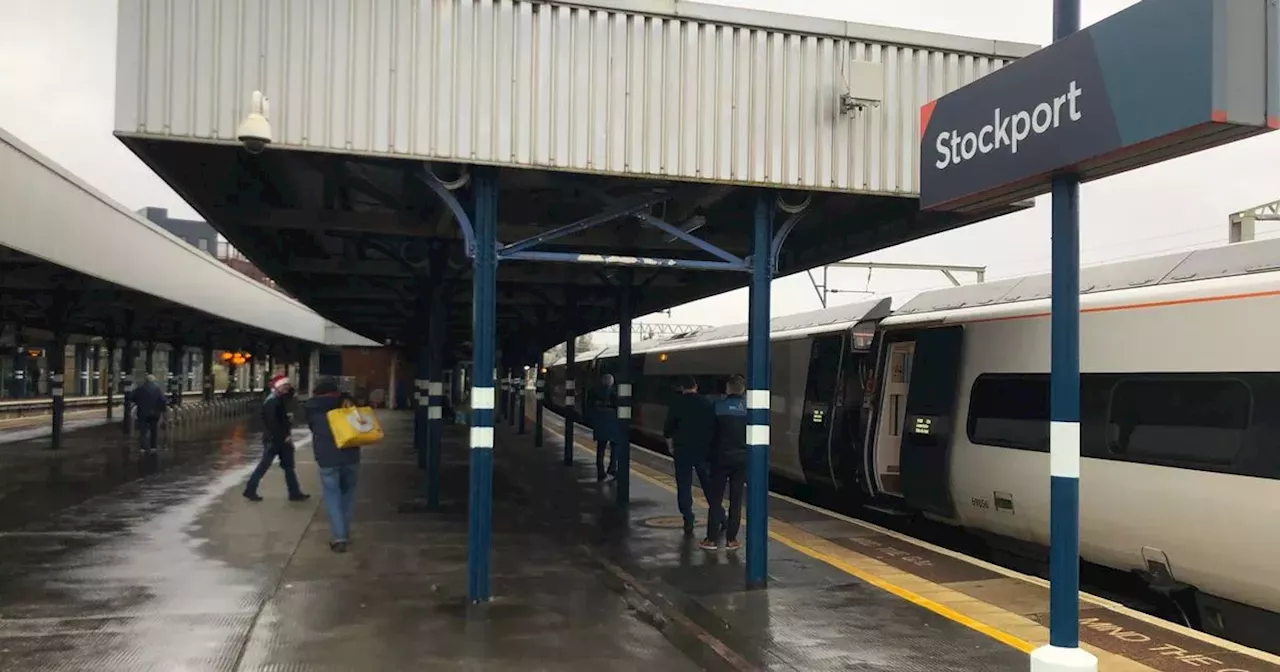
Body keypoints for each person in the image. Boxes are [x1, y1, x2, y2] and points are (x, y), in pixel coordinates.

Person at [304, 377, 362, 553]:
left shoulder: (311, 407)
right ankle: (344, 532)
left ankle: (340, 537)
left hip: (327, 457)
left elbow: (313, 428)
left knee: (332, 498)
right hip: (350, 455)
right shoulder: (347, 402)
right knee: (347, 497)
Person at [243, 375, 310, 503]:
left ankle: (294, 492)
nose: (287, 388)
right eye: (285, 386)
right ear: (278, 386)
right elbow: (272, 422)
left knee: (288, 466)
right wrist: (284, 436)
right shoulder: (272, 401)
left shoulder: (279, 399)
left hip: (279, 439)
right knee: (265, 466)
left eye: (288, 386)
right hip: (275, 440)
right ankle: (250, 489)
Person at [702, 374, 749, 552]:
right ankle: (732, 539)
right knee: (736, 499)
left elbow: (708, 434)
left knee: (716, 499)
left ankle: (711, 539)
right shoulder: (748, 409)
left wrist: (707, 457)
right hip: (741, 460)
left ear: (728, 389)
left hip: (719, 459)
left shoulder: (717, 407)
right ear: (743, 390)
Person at [663, 376, 715, 535]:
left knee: (684, 485)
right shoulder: (707, 403)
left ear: (682, 388)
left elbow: (668, 429)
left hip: (682, 450)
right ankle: (719, 517)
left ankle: (688, 518)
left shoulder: (676, 403)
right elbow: (714, 426)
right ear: (696, 387)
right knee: (709, 485)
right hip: (703, 450)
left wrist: (670, 444)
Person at [591, 372, 619, 481]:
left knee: (601, 448)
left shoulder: (595, 391)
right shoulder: (615, 392)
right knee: (615, 446)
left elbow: (590, 406)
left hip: (599, 422)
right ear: (612, 382)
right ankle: (612, 468)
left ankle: (600, 471)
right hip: (613, 422)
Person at [130, 374, 167, 453]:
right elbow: (163, 401)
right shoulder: (157, 390)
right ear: (153, 381)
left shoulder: (140, 389)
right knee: (154, 430)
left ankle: (143, 447)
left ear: (145, 381)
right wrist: (162, 412)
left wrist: (139, 403)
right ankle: (153, 447)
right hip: (154, 413)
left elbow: (132, 397)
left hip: (142, 413)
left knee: (143, 430)